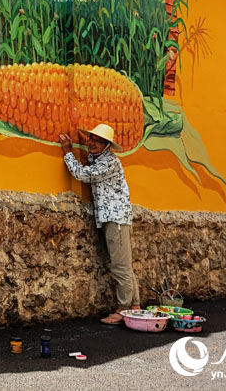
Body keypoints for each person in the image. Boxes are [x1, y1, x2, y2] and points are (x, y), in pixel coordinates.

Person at [59, 123, 140, 325]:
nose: (92, 143)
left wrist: (68, 153)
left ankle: (123, 309)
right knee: (125, 265)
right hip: (113, 218)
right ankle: (135, 307)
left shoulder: (109, 162)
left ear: (107, 145)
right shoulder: (99, 159)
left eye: (98, 141)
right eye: (91, 139)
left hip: (116, 219)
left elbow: (81, 175)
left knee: (120, 266)